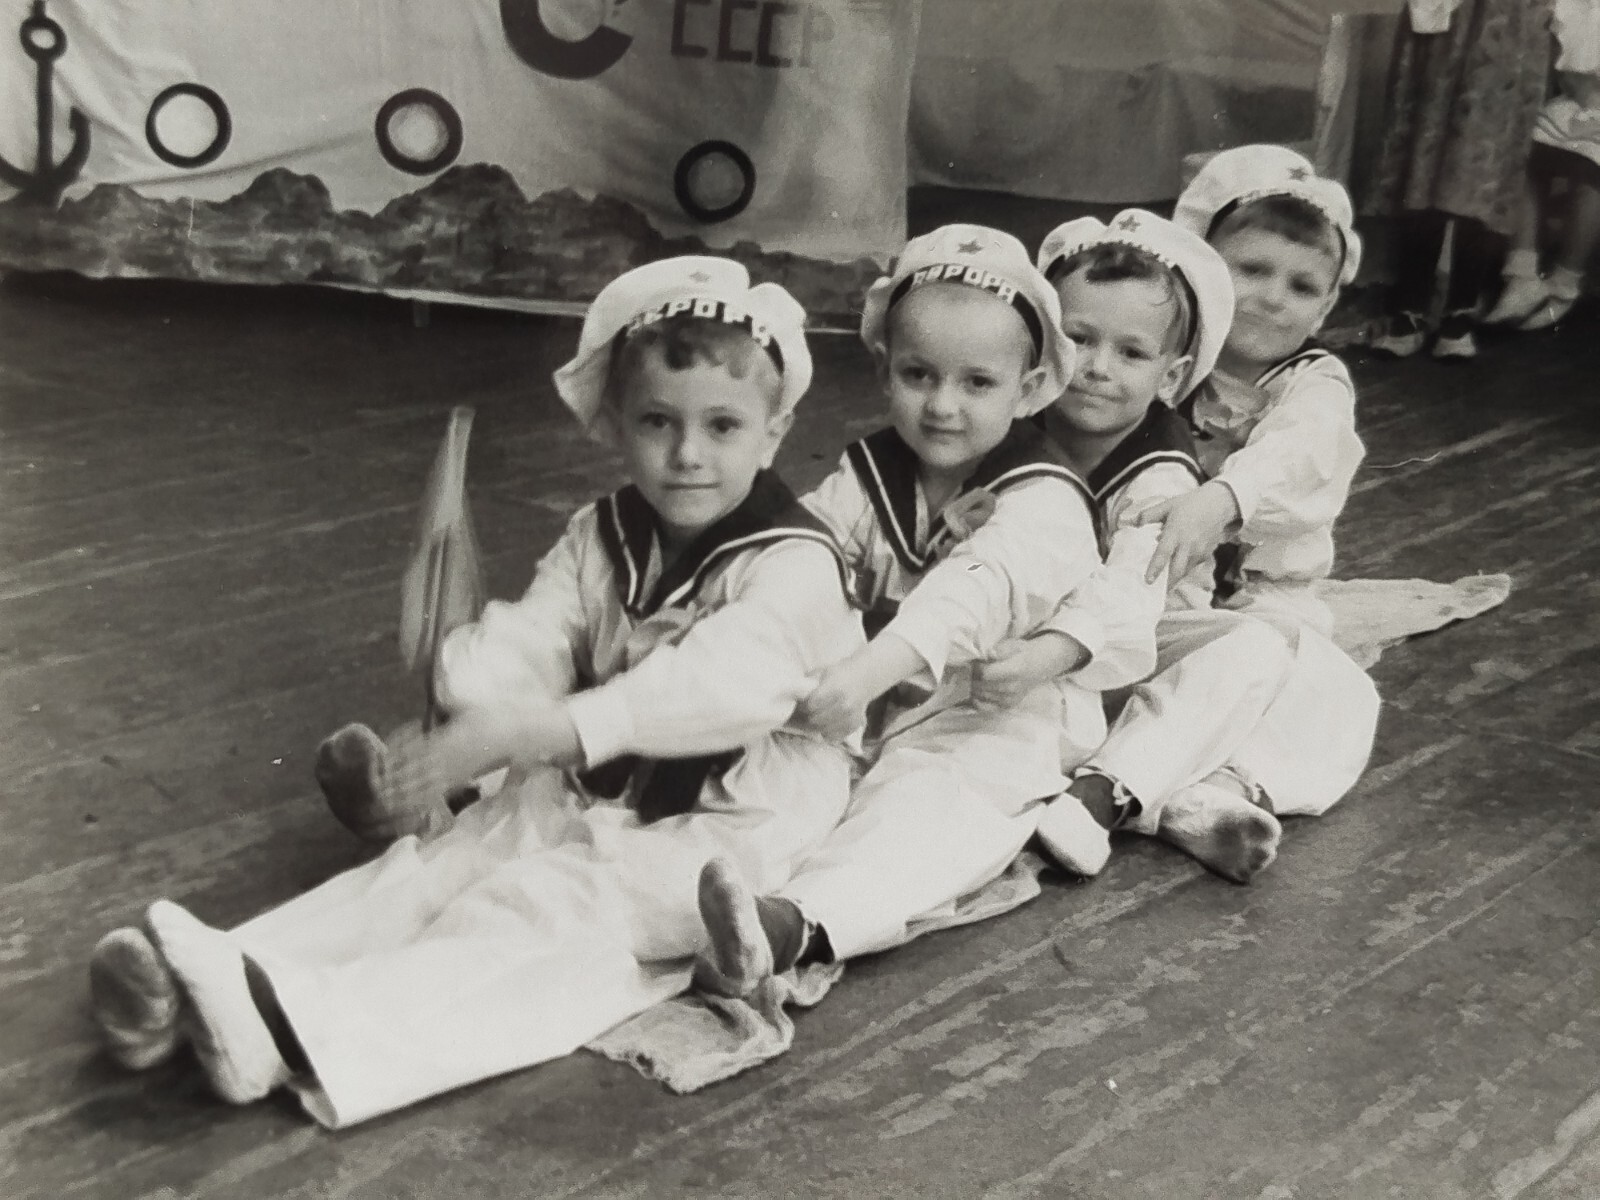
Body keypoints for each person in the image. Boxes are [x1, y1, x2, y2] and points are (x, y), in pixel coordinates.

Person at [84, 256, 863, 1128]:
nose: (687, 455)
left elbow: (719, 686)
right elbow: (538, 634)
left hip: (735, 816)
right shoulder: (604, 534)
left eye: (723, 426)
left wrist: (521, 733)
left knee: (546, 906)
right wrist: (468, 683)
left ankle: (291, 1029)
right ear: (614, 422)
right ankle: (213, 978)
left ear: (775, 432)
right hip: (606, 778)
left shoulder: (797, 561)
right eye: (658, 421)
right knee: (447, 864)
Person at [693, 225, 1146, 995]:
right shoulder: (871, 473)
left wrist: (868, 672)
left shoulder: (1044, 494)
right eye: (918, 375)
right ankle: (680, 882)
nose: (941, 406)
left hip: (996, 709)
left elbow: (971, 591)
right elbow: (806, 546)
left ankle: (796, 925)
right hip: (874, 696)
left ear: (1030, 389)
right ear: (883, 369)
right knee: (756, 760)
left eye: (977, 384)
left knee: (930, 805)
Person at [1029, 209, 1293, 883]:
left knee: (1262, 648)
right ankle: (1179, 801)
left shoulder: (1159, 472)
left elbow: (1129, 600)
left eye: (1131, 353)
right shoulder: (1016, 424)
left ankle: (1105, 792)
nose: (1096, 368)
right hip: (1023, 655)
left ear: (1170, 379)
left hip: (1118, 649)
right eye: (1078, 339)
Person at [1364, 0, 1555, 361]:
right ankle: (1411, 307)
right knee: (1426, 153)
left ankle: (1460, 311)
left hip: (1510, 20)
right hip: (1445, 20)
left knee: (1484, 158)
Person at [1483, 0, 1600, 330]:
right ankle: (1523, 273)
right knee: (1524, 153)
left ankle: (1565, 280)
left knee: (1591, 166)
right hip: (1577, 99)